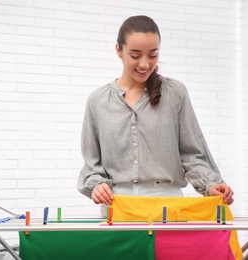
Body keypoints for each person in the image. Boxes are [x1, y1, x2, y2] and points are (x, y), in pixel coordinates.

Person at [77, 15, 234, 211]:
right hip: (118, 209)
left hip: (168, 208)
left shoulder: (175, 93)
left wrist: (210, 184)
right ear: (118, 50)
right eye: (135, 55)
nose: (144, 64)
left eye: (153, 55)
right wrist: (97, 186)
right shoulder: (97, 101)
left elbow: (192, 153)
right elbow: (92, 163)